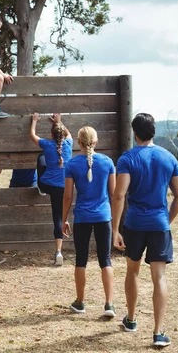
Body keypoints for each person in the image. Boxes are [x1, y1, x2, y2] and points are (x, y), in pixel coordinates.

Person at [112, 113, 178, 348]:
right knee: (159, 277)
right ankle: (158, 332)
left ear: (135, 133)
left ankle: (131, 320)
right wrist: (165, 221)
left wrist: (115, 230)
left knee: (132, 271)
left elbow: (120, 194)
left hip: (134, 224)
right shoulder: (169, 157)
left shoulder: (127, 158)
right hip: (159, 225)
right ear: (153, 132)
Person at [62, 127, 116, 317]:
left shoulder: (72, 164)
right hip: (104, 216)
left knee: (81, 260)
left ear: (78, 142)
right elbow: (114, 194)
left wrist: (63, 220)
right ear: (96, 141)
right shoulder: (108, 162)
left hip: (82, 217)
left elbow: (67, 196)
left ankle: (80, 302)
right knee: (105, 260)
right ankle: (109, 304)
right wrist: (115, 222)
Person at [30, 113, 73, 266]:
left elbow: (32, 135)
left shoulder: (47, 145)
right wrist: (59, 122)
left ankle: (41, 188)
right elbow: (68, 134)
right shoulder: (69, 144)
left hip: (48, 185)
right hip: (65, 187)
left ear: (51, 135)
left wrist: (34, 120)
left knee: (41, 158)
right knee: (58, 218)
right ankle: (59, 252)